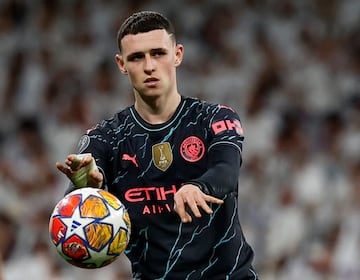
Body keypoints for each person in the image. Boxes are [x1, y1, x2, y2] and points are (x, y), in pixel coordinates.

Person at [56, 10, 259, 280]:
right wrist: (86, 185)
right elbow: (73, 207)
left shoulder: (214, 118)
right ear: (121, 64)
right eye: (137, 57)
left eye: (158, 53)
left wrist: (199, 186)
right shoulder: (106, 138)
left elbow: (226, 170)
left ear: (177, 55)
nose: (149, 66)